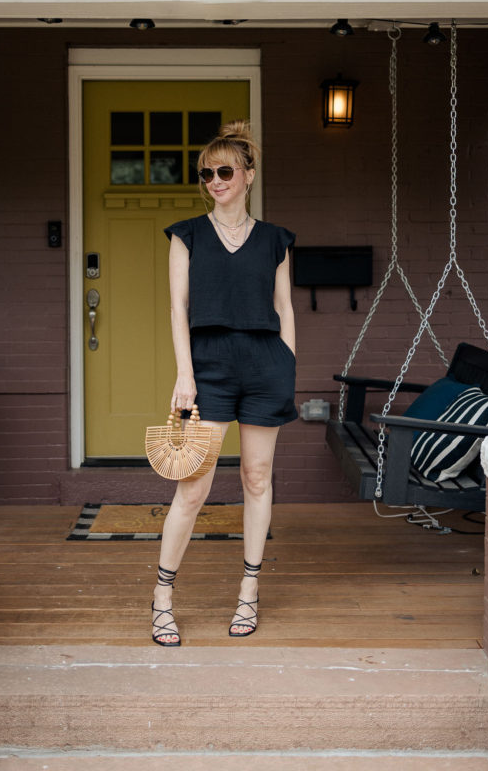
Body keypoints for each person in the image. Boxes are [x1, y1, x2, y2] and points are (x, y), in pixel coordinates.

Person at [151, 120, 297, 646]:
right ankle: (163, 598)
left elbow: (284, 309)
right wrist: (185, 376)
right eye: (206, 173)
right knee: (194, 487)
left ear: (248, 175)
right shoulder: (186, 235)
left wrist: (288, 365)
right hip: (208, 366)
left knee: (257, 480)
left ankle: (249, 591)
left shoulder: (276, 240)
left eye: (224, 170)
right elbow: (178, 309)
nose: (214, 180)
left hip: (264, 366)